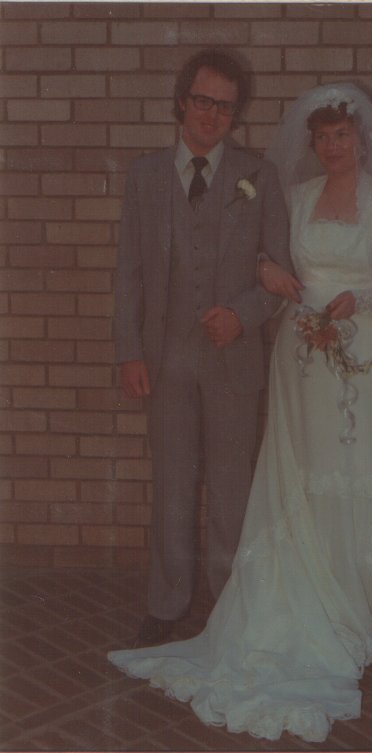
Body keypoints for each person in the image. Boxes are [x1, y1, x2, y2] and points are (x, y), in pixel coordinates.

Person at [109, 83, 372, 742]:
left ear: (363, 139)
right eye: (322, 138)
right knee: (305, 470)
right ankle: (295, 588)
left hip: (368, 356)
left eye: (341, 136)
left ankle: (365, 599)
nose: (332, 147)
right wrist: (267, 271)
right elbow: (261, 255)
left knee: (360, 470)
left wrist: (365, 297)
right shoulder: (293, 198)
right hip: (302, 359)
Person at [113, 48, 293, 648]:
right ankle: (167, 603)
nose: (212, 115)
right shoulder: (144, 177)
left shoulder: (258, 176)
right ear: (181, 102)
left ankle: (228, 601)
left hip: (232, 363)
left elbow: (279, 275)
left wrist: (242, 316)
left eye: (225, 106)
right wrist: (129, 351)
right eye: (203, 101)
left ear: (236, 114)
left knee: (231, 489)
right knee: (172, 484)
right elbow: (129, 273)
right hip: (166, 361)